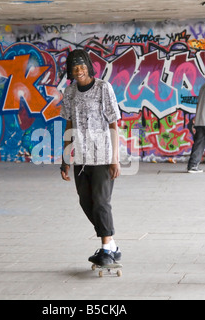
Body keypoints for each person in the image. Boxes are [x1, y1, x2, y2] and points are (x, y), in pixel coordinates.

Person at [60, 49, 122, 266]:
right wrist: (65, 158)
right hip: (81, 158)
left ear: (88, 66)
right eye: (74, 68)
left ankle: (106, 248)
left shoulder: (104, 88)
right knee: (86, 202)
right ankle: (112, 245)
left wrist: (115, 158)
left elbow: (114, 123)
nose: (79, 71)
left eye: (82, 66)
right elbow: (68, 123)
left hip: (103, 156)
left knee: (101, 203)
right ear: (70, 70)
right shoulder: (70, 92)